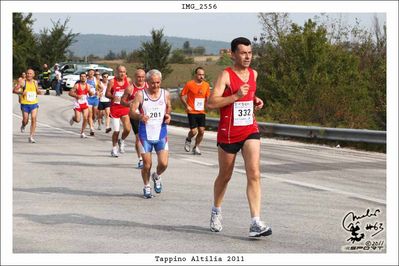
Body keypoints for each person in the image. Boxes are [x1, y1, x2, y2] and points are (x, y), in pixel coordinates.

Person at [206, 37, 272, 238]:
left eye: (250, 53)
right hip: (228, 133)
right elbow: (211, 103)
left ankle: (255, 221)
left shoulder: (254, 74)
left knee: (254, 173)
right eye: (243, 53)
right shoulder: (225, 75)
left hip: (249, 129)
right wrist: (234, 96)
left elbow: (248, 96)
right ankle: (216, 210)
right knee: (225, 176)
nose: (247, 57)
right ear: (233, 54)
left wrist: (255, 100)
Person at [129, 69, 172, 198]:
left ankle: (157, 176)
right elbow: (131, 112)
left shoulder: (165, 94)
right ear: (147, 82)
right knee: (147, 164)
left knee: (164, 164)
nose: (155, 85)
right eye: (153, 83)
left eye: (158, 82)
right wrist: (140, 116)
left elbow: (169, 106)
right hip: (145, 135)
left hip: (161, 134)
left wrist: (168, 115)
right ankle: (147, 186)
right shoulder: (140, 95)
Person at [180, 67, 211, 155]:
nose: (201, 76)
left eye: (203, 75)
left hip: (201, 111)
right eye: (199, 74)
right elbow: (182, 96)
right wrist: (187, 106)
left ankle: (196, 147)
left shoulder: (206, 85)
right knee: (194, 131)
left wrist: (209, 105)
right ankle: (188, 139)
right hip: (192, 111)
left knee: (201, 131)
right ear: (195, 75)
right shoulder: (189, 84)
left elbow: (208, 97)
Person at [121, 68, 148, 169]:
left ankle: (146, 155)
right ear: (135, 77)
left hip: (146, 115)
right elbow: (122, 101)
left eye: (142, 77)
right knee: (138, 137)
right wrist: (129, 103)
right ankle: (140, 159)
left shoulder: (148, 86)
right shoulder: (130, 88)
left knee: (146, 138)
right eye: (138, 77)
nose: (140, 79)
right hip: (135, 115)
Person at [105, 65, 132, 157]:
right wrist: (113, 97)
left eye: (124, 72)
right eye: (120, 72)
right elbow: (107, 93)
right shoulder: (112, 81)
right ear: (116, 72)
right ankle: (114, 148)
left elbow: (132, 91)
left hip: (124, 108)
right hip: (115, 108)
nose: (122, 74)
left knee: (128, 129)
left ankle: (122, 140)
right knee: (116, 130)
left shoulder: (128, 81)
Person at [13, 68, 42, 143]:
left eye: (30, 73)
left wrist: (38, 91)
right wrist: (21, 93)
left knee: (33, 118)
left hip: (34, 104)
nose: (28, 75)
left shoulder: (35, 82)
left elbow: (37, 91)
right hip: (25, 104)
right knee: (25, 120)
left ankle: (31, 137)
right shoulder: (22, 82)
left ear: (33, 75)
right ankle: (23, 125)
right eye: (27, 73)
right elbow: (14, 90)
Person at [68, 72, 90, 138]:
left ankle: (82, 132)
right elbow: (70, 93)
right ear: (80, 77)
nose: (83, 77)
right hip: (78, 104)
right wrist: (77, 95)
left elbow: (90, 93)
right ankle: (73, 118)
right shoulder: (77, 85)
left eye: (84, 76)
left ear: (86, 78)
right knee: (78, 120)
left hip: (85, 103)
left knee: (86, 118)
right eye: (81, 76)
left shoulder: (88, 86)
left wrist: (94, 93)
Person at [86, 69, 99, 136]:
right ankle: (91, 128)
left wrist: (99, 92)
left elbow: (101, 87)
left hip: (95, 98)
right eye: (90, 72)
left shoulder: (96, 80)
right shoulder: (85, 80)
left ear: (94, 73)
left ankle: (92, 122)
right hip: (88, 98)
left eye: (92, 72)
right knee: (90, 114)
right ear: (87, 73)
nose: (91, 73)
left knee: (94, 114)